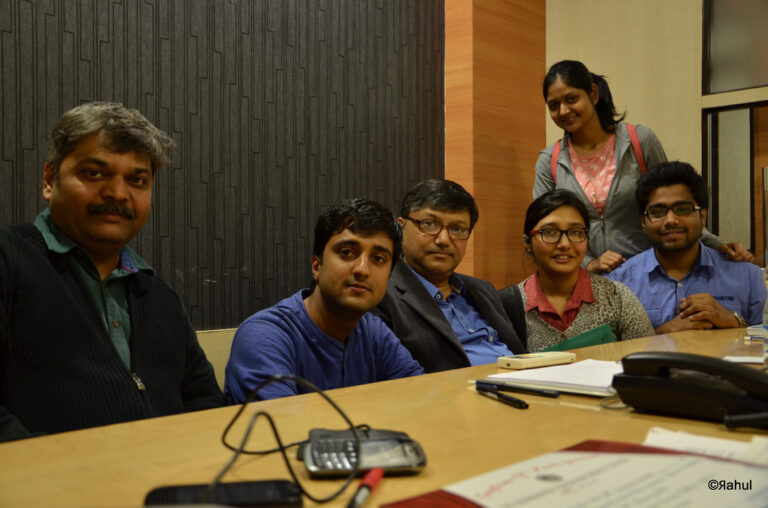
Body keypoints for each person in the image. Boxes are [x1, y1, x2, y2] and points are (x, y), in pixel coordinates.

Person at [0, 102, 224, 442]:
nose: (118, 193)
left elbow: (205, 403)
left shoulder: (160, 297)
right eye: (94, 173)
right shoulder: (9, 261)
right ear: (49, 180)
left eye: (136, 180)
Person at [534, 59, 751, 274]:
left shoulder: (640, 141)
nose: (563, 111)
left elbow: (673, 202)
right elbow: (544, 227)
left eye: (571, 99)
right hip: (584, 280)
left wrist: (717, 244)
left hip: (648, 277)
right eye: (554, 105)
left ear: (593, 94)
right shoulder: (549, 160)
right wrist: (589, 264)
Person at [225, 199, 423, 402]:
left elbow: (422, 398)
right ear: (316, 266)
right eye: (346, 253)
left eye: (378, 259)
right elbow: (282, 421)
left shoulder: (374, 332)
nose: (362, 269)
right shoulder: (265, 335)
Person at [372, 179, 526, 373]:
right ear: (401, 228)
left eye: (457, 229)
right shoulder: (380, 292)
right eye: (429, 224)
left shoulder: (482, 289)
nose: (443, 240)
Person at [607, 161, 766, 333]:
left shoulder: (748, 277)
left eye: (683, 209)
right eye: (658, 212)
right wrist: (664, 332)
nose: (670, 220)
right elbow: (606, 348)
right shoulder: (618, 283)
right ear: (643, 222)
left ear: (702, 217)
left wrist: (735, 321)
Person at [498, 190, 653, 352]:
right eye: (550, 232)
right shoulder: (506, 308)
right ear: (528, 243)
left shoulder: (617, 298)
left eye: (576, 232)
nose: (565, 244)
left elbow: (647, 362)